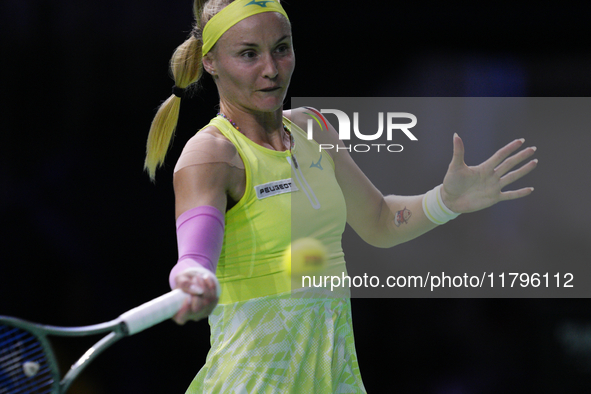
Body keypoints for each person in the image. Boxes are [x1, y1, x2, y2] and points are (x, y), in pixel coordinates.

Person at [143, 0, 538, 392]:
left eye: (281, 48)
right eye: (249, 54)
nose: (271, 69)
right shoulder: (211, 155)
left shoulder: (312, 128)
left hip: (333, 380)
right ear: (210, 62)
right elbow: (195, 257)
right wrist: (193, 277)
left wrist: (446, 201)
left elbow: (380, 221)